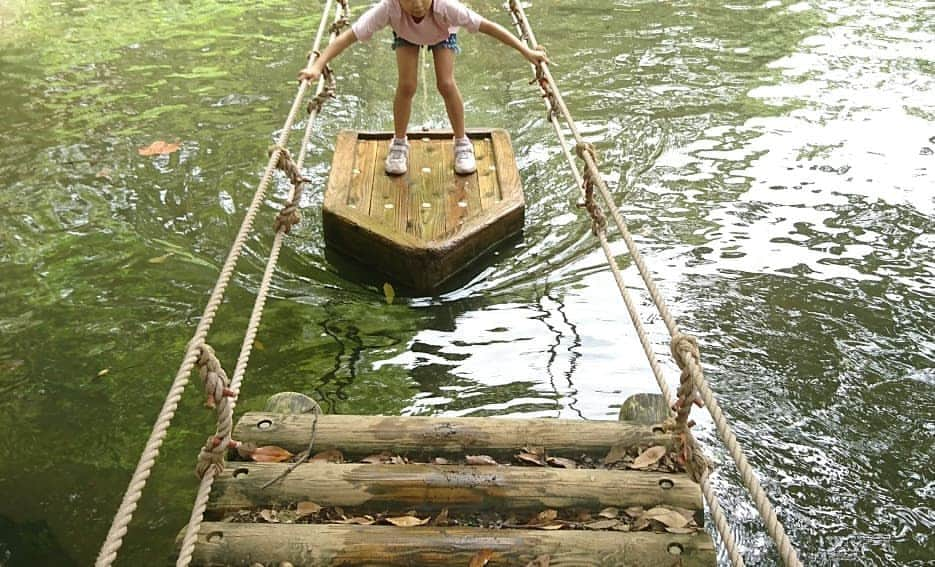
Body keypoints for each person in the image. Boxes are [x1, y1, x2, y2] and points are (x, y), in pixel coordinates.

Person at [298, 0, 549, 176]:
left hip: (443, 34)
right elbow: (348, 36)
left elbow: (489, 28)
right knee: (407, 86)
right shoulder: (389, 8)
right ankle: (399, 144)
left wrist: (526, 51)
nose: (417, 4)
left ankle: (462, 143)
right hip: (406, 35)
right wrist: (318, 66)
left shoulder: (447, 7)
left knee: (446, 84)